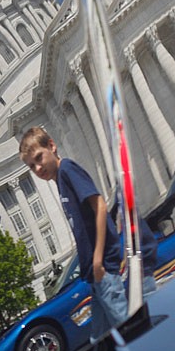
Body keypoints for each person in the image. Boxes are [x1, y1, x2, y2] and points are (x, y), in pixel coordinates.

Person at [19, 127, 157, 338]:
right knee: (100, 338)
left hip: (103, 269)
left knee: (130, 332)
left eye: (39, 158)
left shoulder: (67, 169)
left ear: (52, 146)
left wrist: (97, 259)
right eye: (32, 166)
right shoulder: (60, 180)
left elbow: (100, 206)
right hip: (94, 275)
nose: (38, 168)